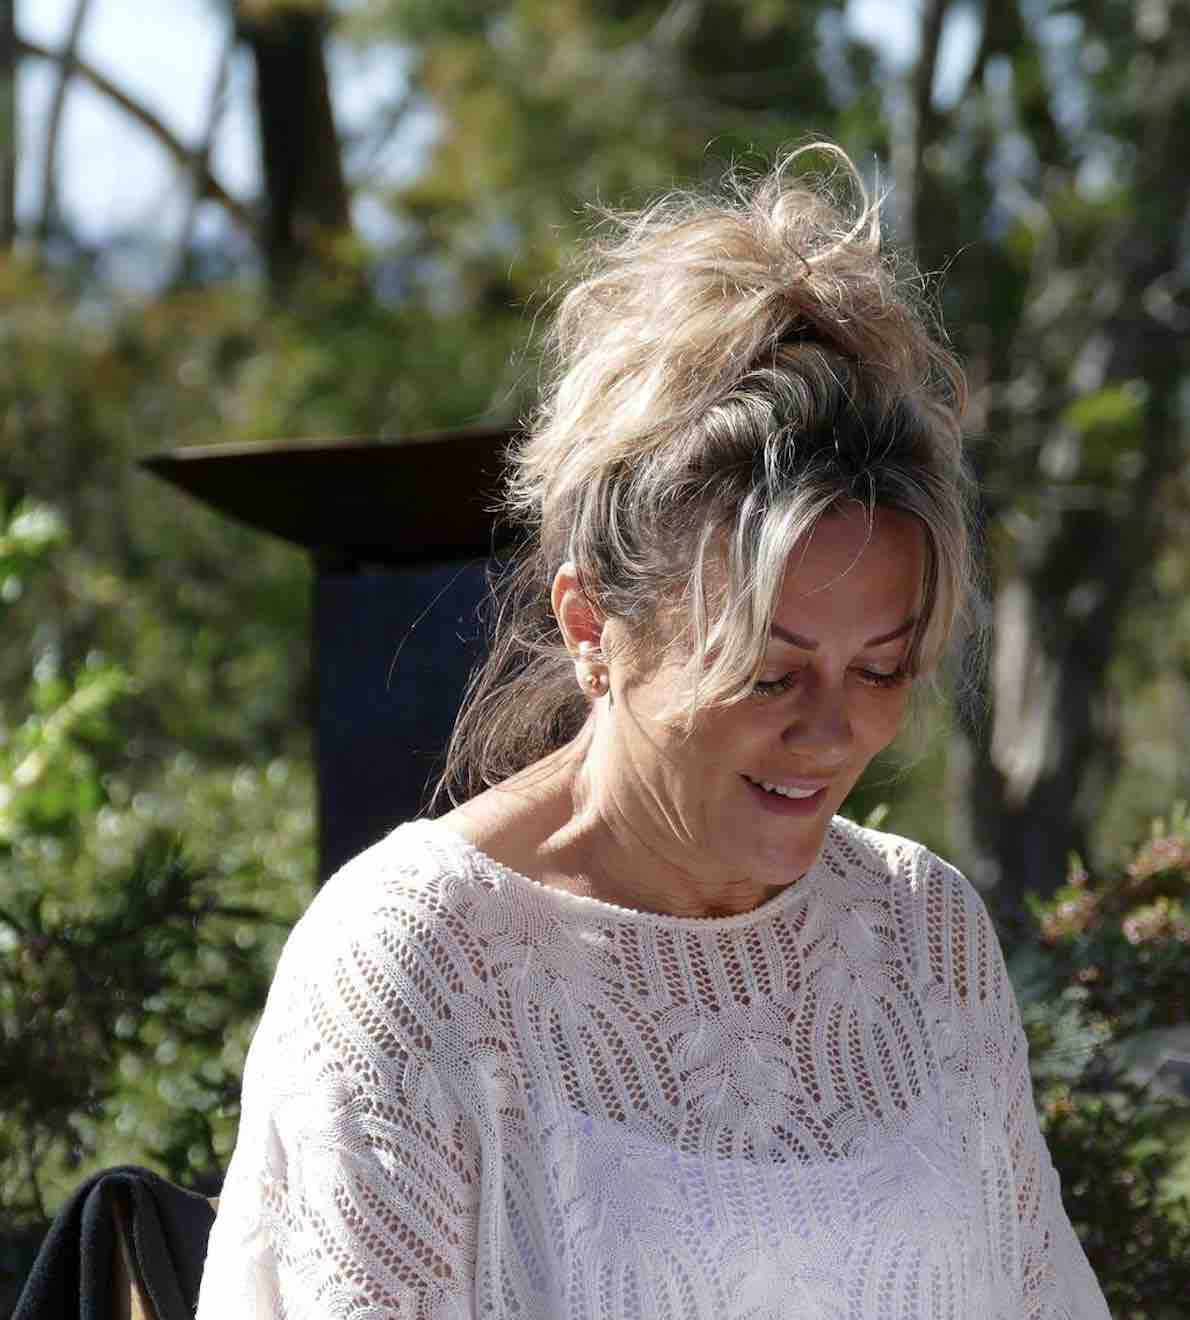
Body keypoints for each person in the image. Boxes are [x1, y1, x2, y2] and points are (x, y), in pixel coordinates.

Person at [195, 145, 1110, 1319]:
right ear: (592, 625)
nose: (831, 731)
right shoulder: (415, 962)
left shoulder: (922, 933)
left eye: (880, 668)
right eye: (766, 673)